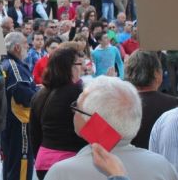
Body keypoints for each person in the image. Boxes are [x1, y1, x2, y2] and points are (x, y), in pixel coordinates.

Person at [45, 76, 178, 180]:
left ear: (94, 122)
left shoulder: (63, 173)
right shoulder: (163, 167)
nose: (73, 112)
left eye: (77, 107)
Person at [30, 47, 87, 179]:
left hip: (43, 163)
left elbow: (34, 135)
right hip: (70, 163)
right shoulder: (77, 93)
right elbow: (94, 130)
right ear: (68, 67)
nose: (83, 68)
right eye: (79, 64)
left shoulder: (38, 95)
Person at [123, 51, 178, 149]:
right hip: (164, 163)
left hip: (122, 163)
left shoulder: (116, 106)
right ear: (157, 74)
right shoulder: (174, 105)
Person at [2, 32, 37, 180]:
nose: (28, 47)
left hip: (12, 125)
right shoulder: (13, 66)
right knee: (21, 167)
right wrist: (39, 94)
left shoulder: (11, 64)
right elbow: (22, 94)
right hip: (19, 125)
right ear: (17, 47)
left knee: (12, 166)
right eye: (25, 44)